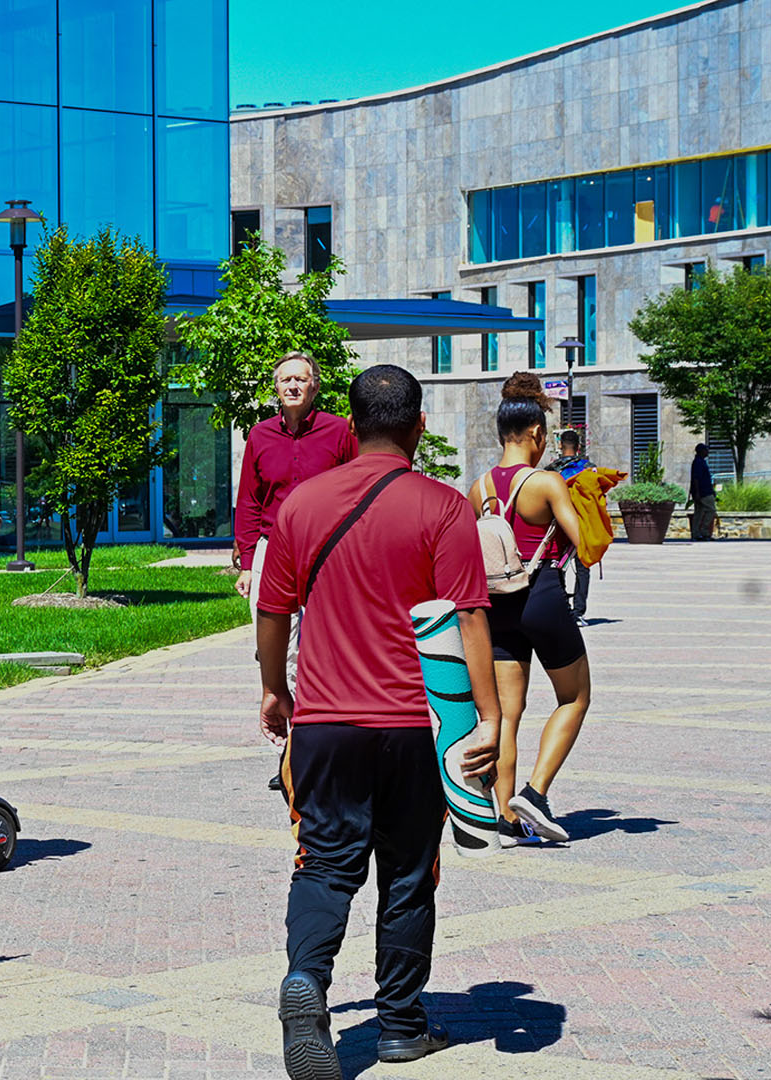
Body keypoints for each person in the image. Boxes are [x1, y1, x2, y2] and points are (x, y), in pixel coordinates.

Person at [256, 364, 500, 1077]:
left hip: (326, 724)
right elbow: (469, 618)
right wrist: (489, 719)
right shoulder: (444, 507)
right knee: (409, 874)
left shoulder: (302, 504)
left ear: (351, 423)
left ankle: (307, 981)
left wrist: (273, 691)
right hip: (415, 728)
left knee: (325, 864)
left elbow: (273, 612)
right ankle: (399, 1025)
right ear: (419, 425)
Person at [468, 372, 588, 849]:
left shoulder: (478, 487)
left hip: (496, 605)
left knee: (505, 715)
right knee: (574, 697)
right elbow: (587, 546)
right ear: (538, 433)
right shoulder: (547, 482)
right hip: (542, 596)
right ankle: (535, 794)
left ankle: (505, 821)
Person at [233, 351, 358, 791]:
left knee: (323, 648)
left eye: (300, 379)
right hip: (274, 550)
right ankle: (289, 755)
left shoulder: (339, 431)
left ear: (315, 386)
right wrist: (249, 563)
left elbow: (357, 486)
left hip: (326, 550)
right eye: (285, 379)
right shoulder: (260, 435)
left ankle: (317, 748)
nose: (292, 386)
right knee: (275, 652)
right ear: (276, 387)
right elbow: (249, 502)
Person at [544, 430, 596, 624]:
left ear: (560, 445)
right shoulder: (589, 469)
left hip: (559, 525)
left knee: (558, 567)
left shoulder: (550, 471)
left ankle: (563, 608)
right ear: (578, 447)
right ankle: (578, 612)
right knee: (583, 569)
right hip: (581, 525)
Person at [691, 443, 717, 541]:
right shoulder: (698, 462)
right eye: (706, 450)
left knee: (699, 512)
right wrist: (697, 492)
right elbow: (696, 478)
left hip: (705, 490)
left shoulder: (701, 461)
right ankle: (704, 530)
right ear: (701, 451)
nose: (707, 452)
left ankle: (696, 533)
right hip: (703, 492)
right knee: (711, 510)